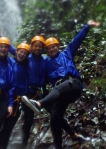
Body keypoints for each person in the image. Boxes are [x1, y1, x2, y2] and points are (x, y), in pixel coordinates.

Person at [22, 20, 100, 149]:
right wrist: (30, 88)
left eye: (54, 46)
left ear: (58, 47)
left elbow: (77, 40)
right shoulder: (47, 63)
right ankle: (63, 142)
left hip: (72, 84)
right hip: (61, 94)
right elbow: (39, 77)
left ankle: (39, 104)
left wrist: (87, 26)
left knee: (58, 88)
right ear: (47, 50)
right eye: (49, 48)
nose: (52, 49)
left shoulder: (67, 53)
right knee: (54, 117)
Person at [0, 27, 48, 147]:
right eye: (35, 46)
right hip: (13, 94)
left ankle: (23, 143)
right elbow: (14, 51)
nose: (37, 48)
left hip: (29, 93)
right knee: (5, 118)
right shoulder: (26, 58)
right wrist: (0, 37)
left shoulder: (44, 60)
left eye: (40, 46)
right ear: (32, 47)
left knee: (28, 119)